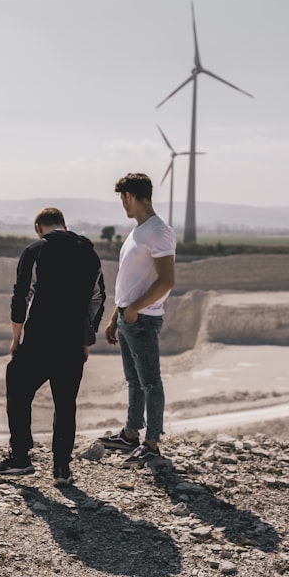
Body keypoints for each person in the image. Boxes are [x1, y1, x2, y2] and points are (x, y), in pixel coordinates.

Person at [0, 207, 106, 486]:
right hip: (72, 343)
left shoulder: (36, 250)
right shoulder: (89, 252)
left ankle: (20, 457)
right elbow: (98, 299)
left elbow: (20, 297)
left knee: (18, 386)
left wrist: (16, 339)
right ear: (64, 225)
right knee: (65, 403)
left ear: (39, 227)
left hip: (40, 339)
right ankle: (62, 469)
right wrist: (85, 339)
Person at [99, 173, 176, 466]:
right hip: (129, 317)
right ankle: (130, 434)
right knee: (134, 379)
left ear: (130, 196)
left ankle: (152, 443)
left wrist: (133, 310)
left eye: (123, 199)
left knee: (150, 382)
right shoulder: (138, 231)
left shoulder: (158, 231)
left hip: (143, 318)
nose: (123, 205)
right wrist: (116, 314)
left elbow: (166, 280)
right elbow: (132, 280)